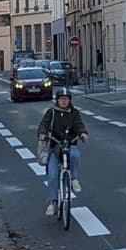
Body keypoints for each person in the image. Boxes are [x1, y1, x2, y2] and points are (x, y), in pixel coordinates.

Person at [35, 87, 87, 216]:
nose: (64, 101)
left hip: (70, 145)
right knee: (52, 175)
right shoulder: (51, 112)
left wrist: (83, 133)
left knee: (75, 154)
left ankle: (74, 179)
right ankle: (53, 203)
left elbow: (79, 124)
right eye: (61, 99)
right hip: (54, 147)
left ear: (70, 100)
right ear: (57, 100)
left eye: (66, 99)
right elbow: (44, 124)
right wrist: (42, 133)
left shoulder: (74, 113)